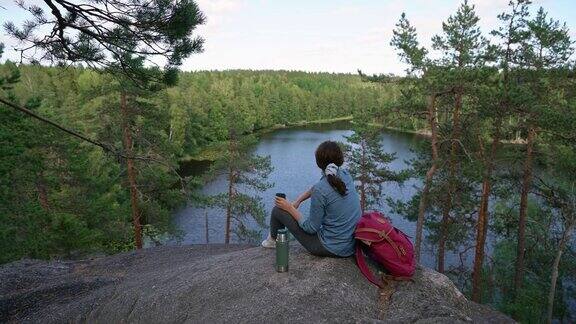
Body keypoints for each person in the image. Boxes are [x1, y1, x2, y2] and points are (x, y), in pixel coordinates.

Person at [261, 140, 362, 257]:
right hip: (351, 245)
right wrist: (299, 200)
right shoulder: (345, 174)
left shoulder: (322, 188)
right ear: (340, 159)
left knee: (278, 210)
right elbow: (318, 187)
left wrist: (289, 208)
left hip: (332, 248)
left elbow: (311, 228)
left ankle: (272, 241)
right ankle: (273, 239)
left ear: (318, 162)